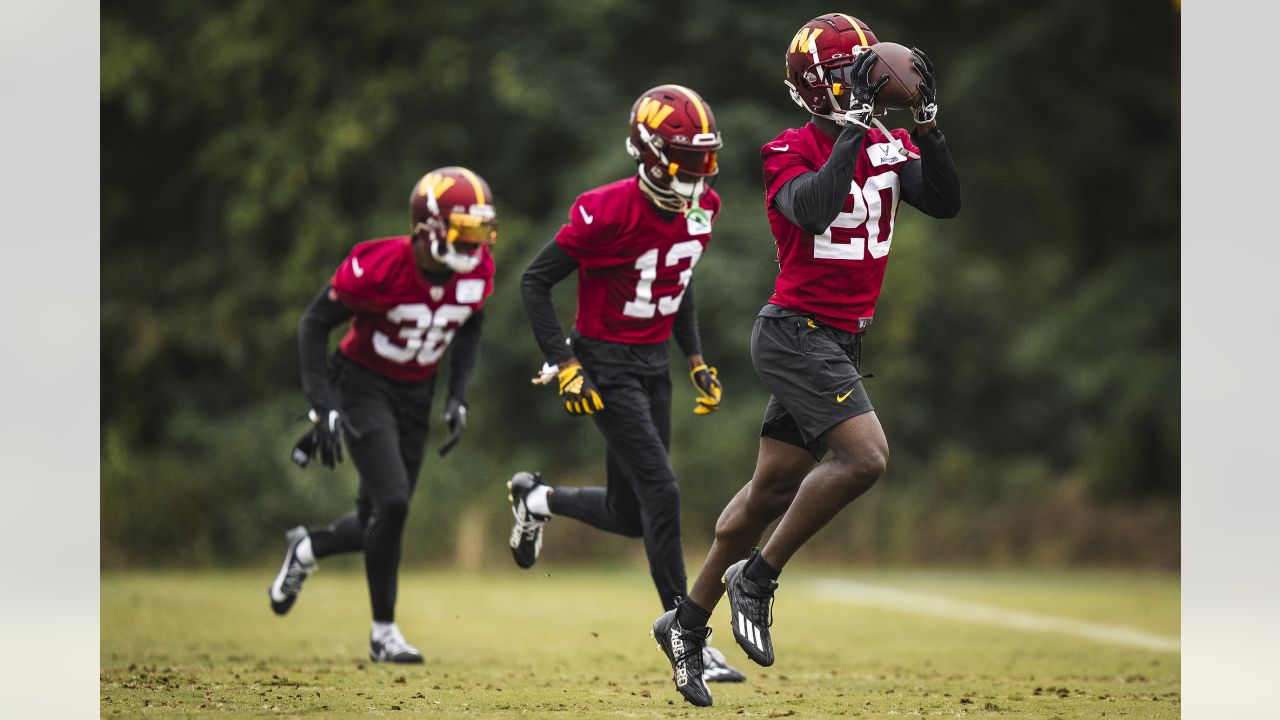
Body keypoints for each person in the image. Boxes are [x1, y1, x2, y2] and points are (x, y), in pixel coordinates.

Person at [651, 13, 962, 707]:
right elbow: (816, 210)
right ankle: (756, 579)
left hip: (839, 338)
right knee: (865, 458)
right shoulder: (785, 149)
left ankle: (685, 622)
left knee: (768, 491)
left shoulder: (888, 141)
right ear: (820, 86)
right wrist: (853, 130)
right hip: (796, 332)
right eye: (853, 71)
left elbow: (944, 201)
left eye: (870, 69)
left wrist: (931, 125)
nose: (868, 81)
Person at [508, 84, 744, 685]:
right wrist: (565, 363)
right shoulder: (605, 209)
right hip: (604, 362)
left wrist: (692, 357)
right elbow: (535, 282)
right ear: (648, 153)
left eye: (703, 157)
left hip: (650, 364)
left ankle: (536, 500)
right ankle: (684, 631)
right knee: (662, 494)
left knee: (630, 511)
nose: (699, 171)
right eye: (686, 158)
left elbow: (679, 277)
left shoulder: (702, 209)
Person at [267, 166, 498, 664]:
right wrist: (323, 403)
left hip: (417, 393)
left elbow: (470, 326)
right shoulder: (378, 265)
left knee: (378, 518)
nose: (475, 244)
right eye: (465, 231)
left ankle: (307, 548)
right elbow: (313, 326)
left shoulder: (477, 271)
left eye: (481, 231)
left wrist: (458, 395)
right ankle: (383, 633)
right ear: (428, 227)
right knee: (393, 503)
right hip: (362, 384)